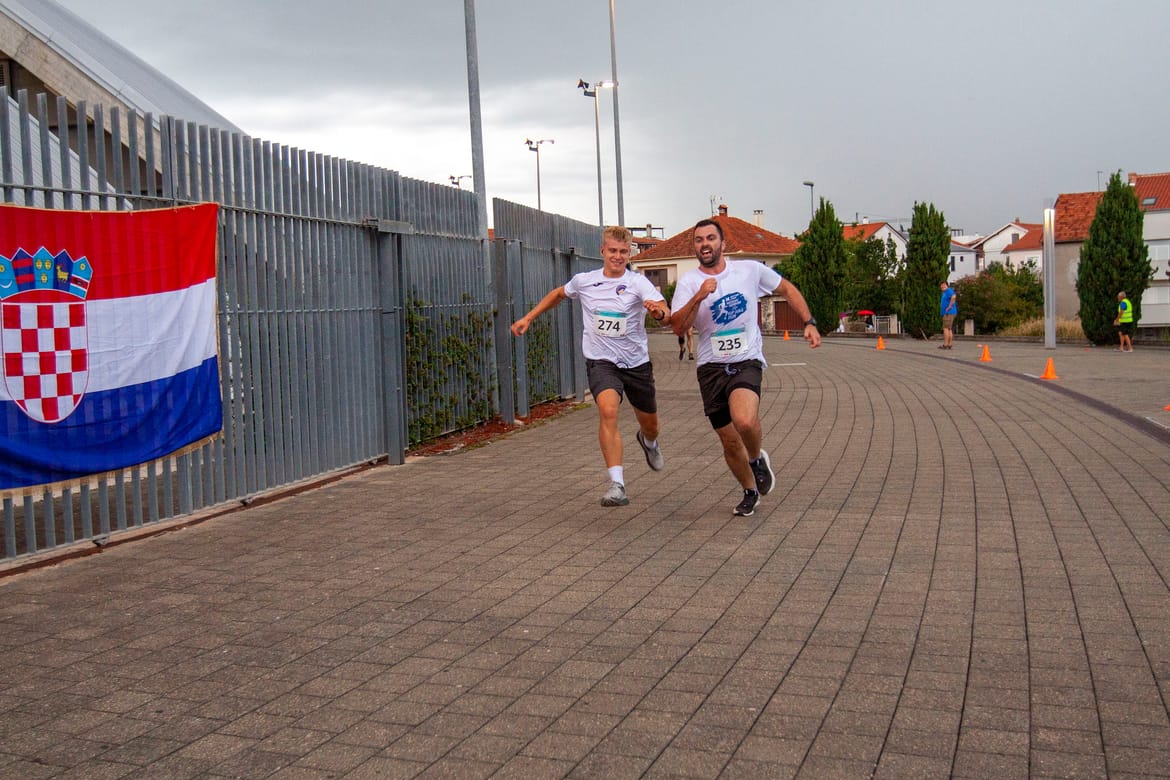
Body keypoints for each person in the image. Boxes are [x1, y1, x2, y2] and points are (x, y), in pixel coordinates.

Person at [671, 218, 821, 517]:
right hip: (710, 367)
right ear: (695, 247)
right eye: (699, 240)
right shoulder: (689, 282)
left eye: (710, 238)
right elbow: (678, 326)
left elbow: (787, 289)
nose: (705, 244)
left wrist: (809, 322)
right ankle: (750, 490)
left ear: (722, 244)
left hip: (745, 359)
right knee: (728, 439)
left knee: (745, 421)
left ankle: (755, 458)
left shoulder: (749, 270)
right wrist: (699, 296)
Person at [511, 225, 670, 507]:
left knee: (651, 425)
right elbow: (558, 294)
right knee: (608, 410)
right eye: (613, 251)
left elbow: (662, 308)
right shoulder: (585, 281)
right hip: (601, 361)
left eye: (623, 252)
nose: (618, 256)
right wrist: (529, 318)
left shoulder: (637, 283)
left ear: (629, 253)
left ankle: (649, 442)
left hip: (636, 363)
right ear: (603, 251)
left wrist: (658, 312)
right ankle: (617, 484)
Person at [939, 281, 957, 349]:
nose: (942, 286)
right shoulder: (945, 292)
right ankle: (949, 344)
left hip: (948, 313)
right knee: (949, 328)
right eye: (941, 285)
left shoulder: (948, 290)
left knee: (945, 328)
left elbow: (953, 297)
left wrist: (949, 306)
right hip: (948, 313)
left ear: (947, 285)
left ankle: (945, 344)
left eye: (944, 285)